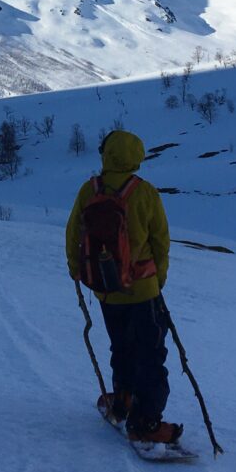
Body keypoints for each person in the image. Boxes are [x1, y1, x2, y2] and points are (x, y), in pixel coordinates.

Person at [65, 128, 180, 444]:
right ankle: (146, 423)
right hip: (143, 290)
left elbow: (73, 232)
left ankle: (124, 400)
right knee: (151, 354)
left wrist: (77, 271)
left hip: (106, 291)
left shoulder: (89, 191)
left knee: (122, 346)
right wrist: (159, 279)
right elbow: (160, 241)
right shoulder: (145, 193)